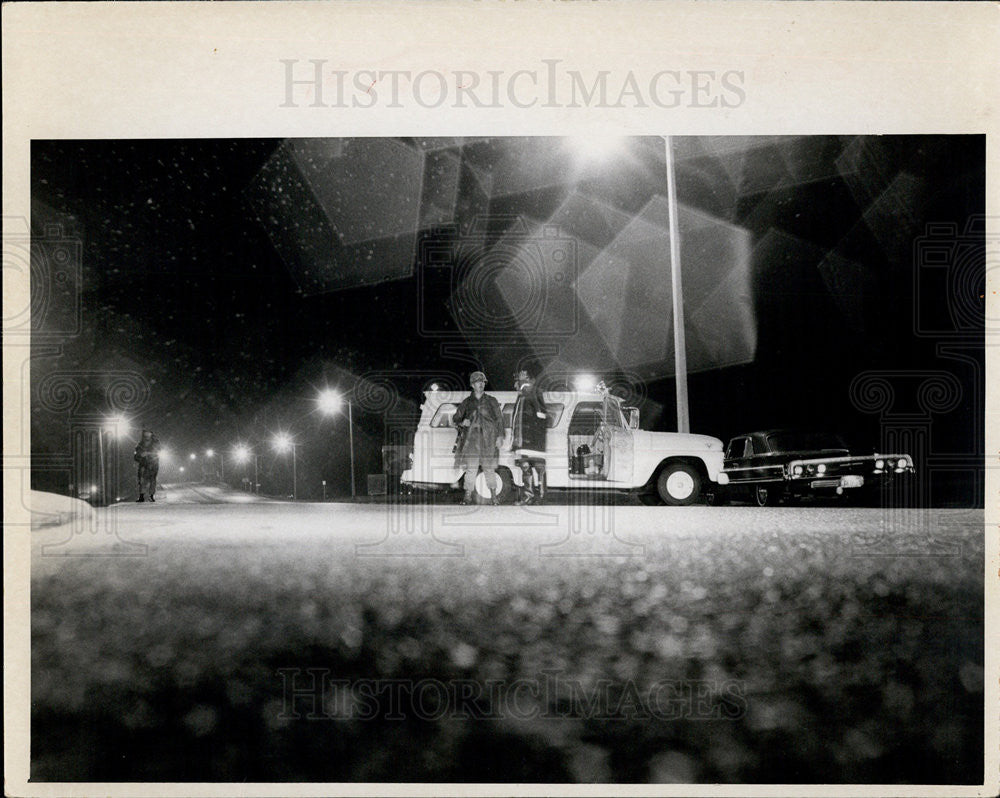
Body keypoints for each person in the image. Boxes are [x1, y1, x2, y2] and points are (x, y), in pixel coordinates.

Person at [452, 371, 504, 505]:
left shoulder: (492, 401)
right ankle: (467, 497)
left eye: (482, 382)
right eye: (477, 382)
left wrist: (500, 436)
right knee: (471, 468)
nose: (481, 384)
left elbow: (499, 420)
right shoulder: (467, 402)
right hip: (472, 440)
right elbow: (455, 418)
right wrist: (462, 422)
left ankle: (494, 497)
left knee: (489, 468)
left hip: (488, 439)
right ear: (472, 385)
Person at [511, 368, 548, 504]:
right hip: (524, 440)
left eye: (522, 374)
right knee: (526, 467)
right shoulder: (522, 394)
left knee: (537, 467)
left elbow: (542, 415)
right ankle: (530, 496)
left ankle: (540, 496)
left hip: (533, 440)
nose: (518, 377)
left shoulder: (533, 392)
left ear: (528, 377)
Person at [133, 429, 161, 502]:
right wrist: (140, 455)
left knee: (152, 479)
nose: (147, 434)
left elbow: (158, 451)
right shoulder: (140, 443)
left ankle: (151, 496)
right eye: (146, 433)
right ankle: (141, 496)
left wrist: (149, 453)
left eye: (149, 433)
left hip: (153, 464)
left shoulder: (156, 442)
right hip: (143, 464)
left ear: (151, 433)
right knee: (142, 480)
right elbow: (136, 456)